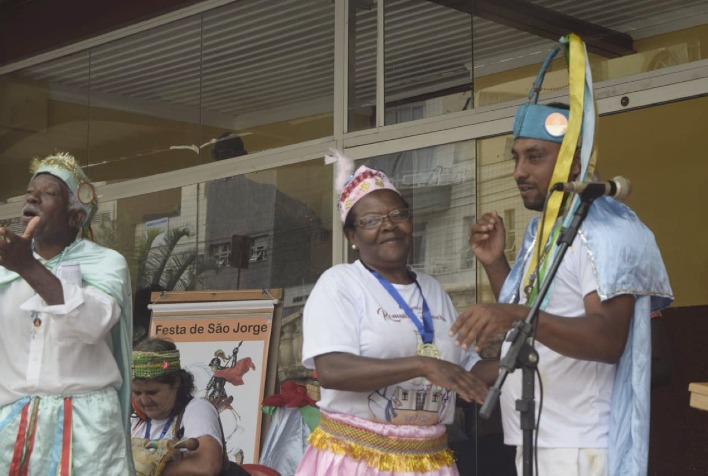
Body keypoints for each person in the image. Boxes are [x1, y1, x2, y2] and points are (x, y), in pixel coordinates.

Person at [452, 98, 673, 474]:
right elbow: (537, 319)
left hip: (582, 448)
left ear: (575, 161)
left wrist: (513, 313)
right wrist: (495, 263)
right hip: (538, 441)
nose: (519, 172)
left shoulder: (608, 230)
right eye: (515, 158)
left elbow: (606, 339)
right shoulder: (548, 232)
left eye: (534, 157)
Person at [296, 150, 491, 476]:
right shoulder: (340, 284)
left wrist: (535, 354)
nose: (388, 226)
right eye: (371, 221)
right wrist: (422, 365)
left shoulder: (433, 290)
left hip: (430, 462)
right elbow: (332, 370)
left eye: (398, 214)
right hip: (357, 460)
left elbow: (464, 369)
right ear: (352, 236)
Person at [0, 152, 135, 474]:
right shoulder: (5, 270)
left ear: (75, 217)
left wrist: (28, 267)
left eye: (48, 193)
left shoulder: (106, 263)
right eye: (31, 192)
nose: (32, 197)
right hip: (12, 424)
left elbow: (92, 324)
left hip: (86, 425)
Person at [131, 337, 230, 476]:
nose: (144, 400)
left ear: (176, 382)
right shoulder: (133, 424)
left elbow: (207, 465)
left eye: (152, 392)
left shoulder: (197, 409)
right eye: (137, 392)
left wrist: (151, 471)